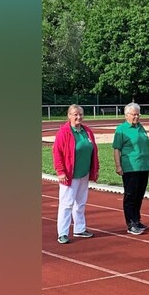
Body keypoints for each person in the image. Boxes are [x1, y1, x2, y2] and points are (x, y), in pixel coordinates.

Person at [52, 104, 99, 244]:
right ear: (69, 116)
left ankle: (79, 229)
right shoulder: (64, 132)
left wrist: (95, 168)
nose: (79, 117)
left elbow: (93, 151)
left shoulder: (87, 131)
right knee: (66, 204)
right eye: (75, 114)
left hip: (83, 173)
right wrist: (60, 172)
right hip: (69, 174)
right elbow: (57, 153)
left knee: (81, 202)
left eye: (81, 114)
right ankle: (63, 233)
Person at [112, 102, 149, 235]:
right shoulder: (121, 129)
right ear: (127, 115)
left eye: (138, 114)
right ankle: (131, 223)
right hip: (130, 166)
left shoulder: (141, 128)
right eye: (134, 114)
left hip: (143, 166)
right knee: (131, 195)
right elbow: (116, 149)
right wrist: (118, 165)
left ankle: (137, 220)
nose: (136, 117)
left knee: (139, 195)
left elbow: (146, 146)